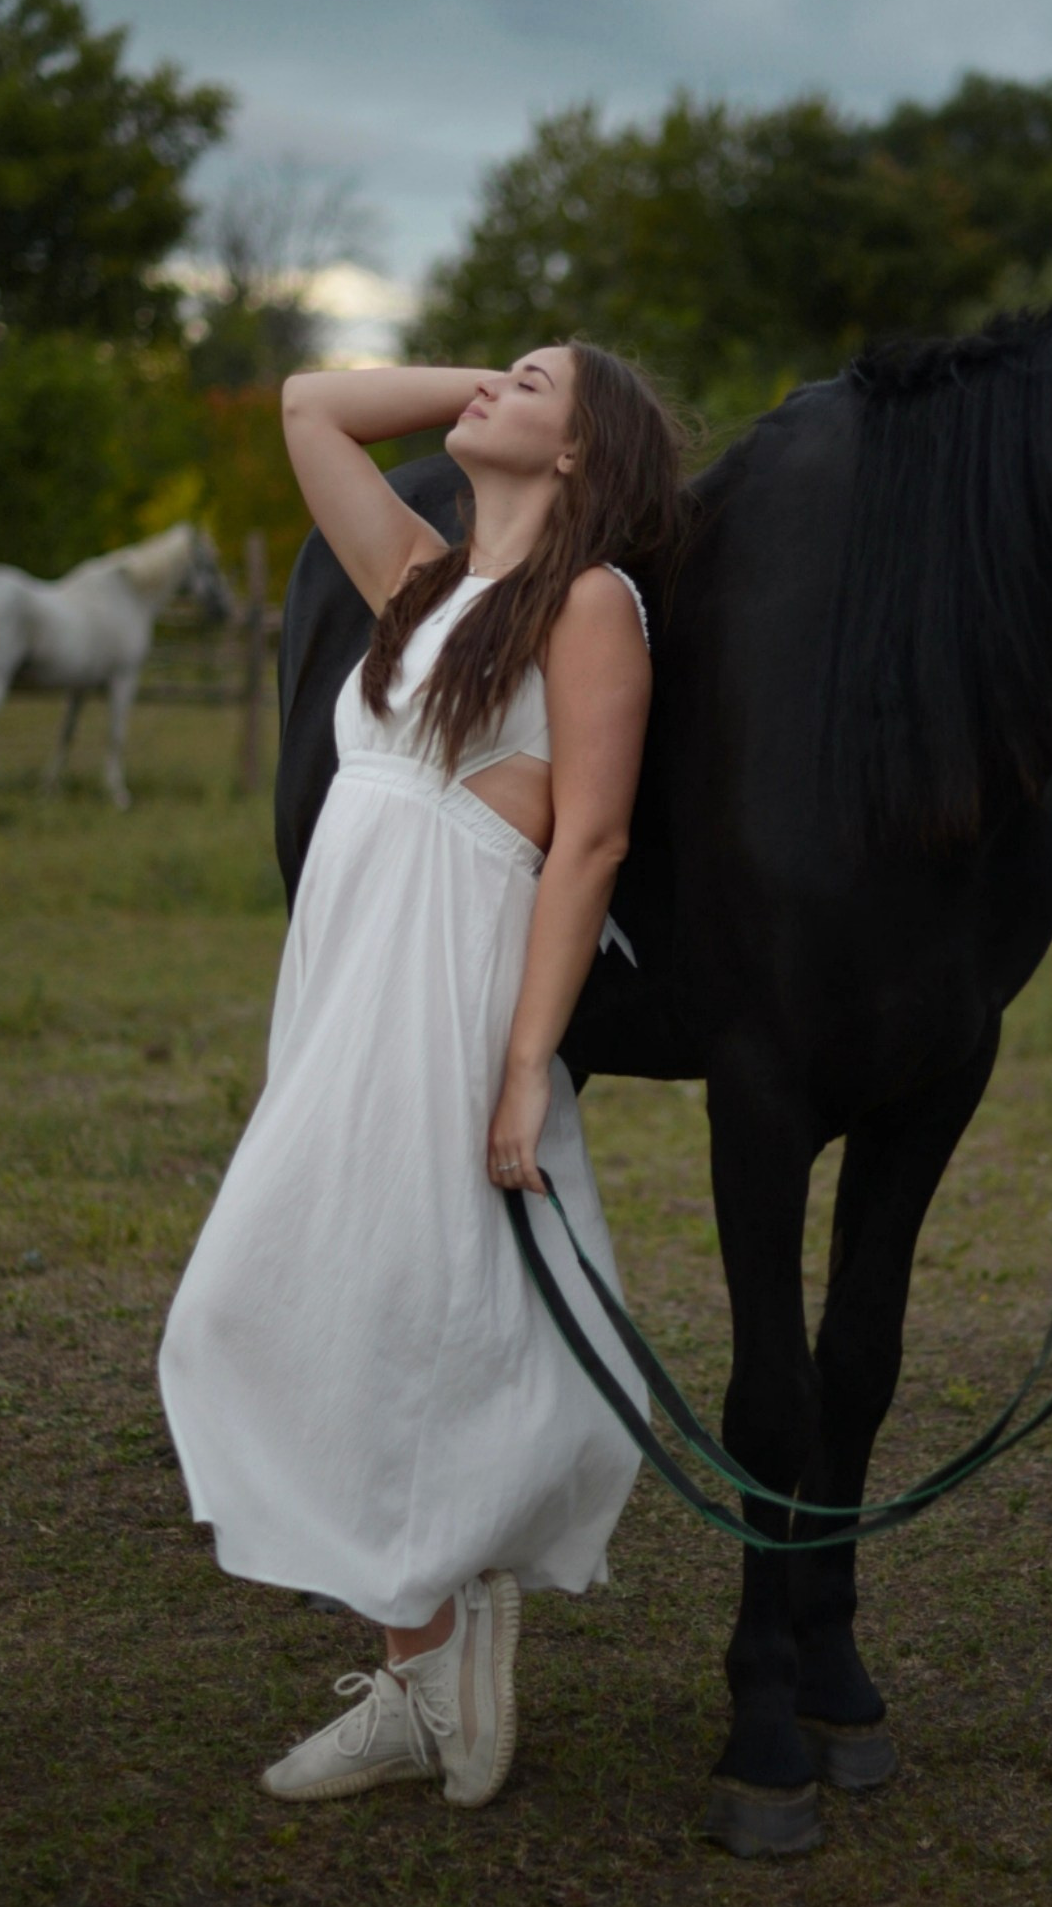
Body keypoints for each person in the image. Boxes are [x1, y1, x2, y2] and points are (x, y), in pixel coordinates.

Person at [159, 341, 681, 1809]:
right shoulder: (420, 582)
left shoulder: (591, 607)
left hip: (447, 1003)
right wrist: (494, 378)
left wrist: (524, 1070)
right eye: (498, 372)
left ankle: (433, 1639)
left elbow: (588, 842)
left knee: (377, 1309)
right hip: (342, 990)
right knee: (327, 1304)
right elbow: (306, 404)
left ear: (582, 455)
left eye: (535, 386)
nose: (494, 391)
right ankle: (427, 1650)